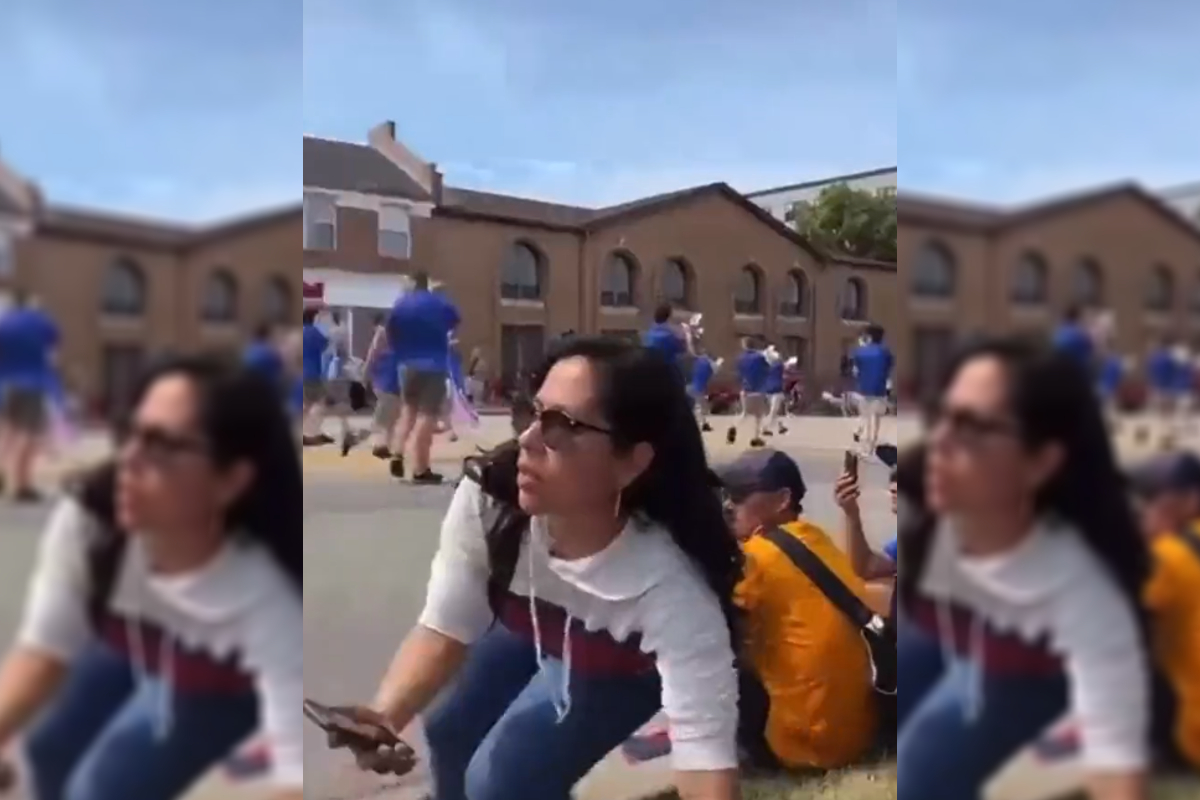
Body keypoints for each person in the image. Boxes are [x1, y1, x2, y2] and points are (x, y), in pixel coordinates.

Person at [328, 336, 743, 800]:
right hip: (535, 620)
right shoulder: (493, 499)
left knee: (503, 782)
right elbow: (446, 626)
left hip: (617, 658)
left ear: (632, 462)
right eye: (532, 412)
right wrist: (383, 717)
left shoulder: (673, 592)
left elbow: (704, 764)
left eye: (561, 425)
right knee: (448, 727)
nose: (526, 440)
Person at [0, 354, 302, 800]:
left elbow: (294, 781)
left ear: (231, 480)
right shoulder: (94, 518)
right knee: (47, 749)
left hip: (217, 672)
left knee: (99, 791)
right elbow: (42, 654)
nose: (128, 459)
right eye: (130, 432)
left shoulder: (269, 598)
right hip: (132, 638)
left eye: (161, 445)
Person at [896, 335, 1153, 800]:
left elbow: (1118, 769)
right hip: (955, 628)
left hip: (1022, 662)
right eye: (941, 415)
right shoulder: (929, 486)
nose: (940, 441)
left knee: (924, 765)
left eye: (972, 426)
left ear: (1040, 463)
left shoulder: (1085, 594)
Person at [718, 449, 879, 770]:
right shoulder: (815, 537)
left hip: (807, 747)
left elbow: (712, 629)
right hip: (858, 732)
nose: (728, 506)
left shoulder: (757, 557)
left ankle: (743, 753)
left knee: (716, 653)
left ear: (782, 500)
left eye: (740, 496)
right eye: (726, 496)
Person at [1127, 451, 1200, 770]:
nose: (1143, 507)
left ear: (1190, 501)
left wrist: (1139, 544)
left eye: (1154, 496)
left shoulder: (1168, 556)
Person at [386, 272, 461, 485]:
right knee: (426, 416)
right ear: (427, 283)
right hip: (434, 364)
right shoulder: (439, 303)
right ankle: (420, 468)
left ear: (411, 283)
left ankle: (397, 453)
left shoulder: (400, 305)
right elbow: (454, 322)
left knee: (408, 411)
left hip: (406, 365)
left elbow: (391, 332)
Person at [0, 291, 62, 502]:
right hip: (33, 383)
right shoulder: (42, 322)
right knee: (28, 433)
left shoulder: (5, 323)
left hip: (7, 384)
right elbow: (53, 352)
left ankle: (5, 476)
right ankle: (21, 484)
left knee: (8, 431)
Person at [850, 324, 893, 457]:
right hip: (880, 389)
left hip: (864, 388)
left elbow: (855, 371)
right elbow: (889, 369)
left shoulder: (859, 352)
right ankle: (871, 446)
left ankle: (865, 445)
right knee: (875, 418)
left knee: (866, 417)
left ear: (868, 337)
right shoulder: (886, 352)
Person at [364, 313, 402, 460]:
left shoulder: (384, 336)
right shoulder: (391, 337)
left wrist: (365, 373)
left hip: (386, 381)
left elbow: (372, 355)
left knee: (389, 417)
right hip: (390, 382)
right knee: (386, 417)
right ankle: (380, 445)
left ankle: (383, 445)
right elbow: (372, 354)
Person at [727, 337, 768, 448]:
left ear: (744, 346)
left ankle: (734, 426)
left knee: (744, 413)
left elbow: (738, 374)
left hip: (745, 389)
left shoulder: (740, 358)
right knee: (759, 416)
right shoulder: (759, 357)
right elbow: (767, 369)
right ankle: (756, 438)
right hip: (758, 389)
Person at [300, 307, 331, 447]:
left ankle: (304, 432)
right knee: (320, 404)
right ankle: (310, 433)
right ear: (314, 318)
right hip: (312, 373)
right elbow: (325, 345)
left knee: (306, 404)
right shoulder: (314, 332)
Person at [642, 302, 689, 376]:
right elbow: (683, 349)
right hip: (668, 373)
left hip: (650, 373)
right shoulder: (670, 336)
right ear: (668, 317)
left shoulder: (648, 334)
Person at [243, 323, 286, 397]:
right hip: (267, 387)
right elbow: (280, 365)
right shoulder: (270, 349)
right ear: (267, 334)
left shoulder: (249, 349)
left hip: (249, 386)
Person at [1051, 304, 1096, 374]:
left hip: (1060, 369)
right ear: (1077, 316)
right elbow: (1090, 347)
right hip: (1077, 369)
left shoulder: (1059, 331)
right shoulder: (1080, 331)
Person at [761, 345, 788, 437]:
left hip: (768, 390)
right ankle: (764, 428)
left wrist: (768, 351)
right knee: (773, 411)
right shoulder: (778, 366)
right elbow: (782, 362)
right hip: (776, 390)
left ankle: (780, 427)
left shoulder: (766, 367)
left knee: (774, 411)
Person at [689, 350, 719, 433]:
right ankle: (700, 424)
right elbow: (715, 371)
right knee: (701, 408)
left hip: (694, 386)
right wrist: (718, 363)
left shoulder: (698, 360)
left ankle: (703, 424)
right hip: (699, 388)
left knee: (700, 407)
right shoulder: (709, 363)